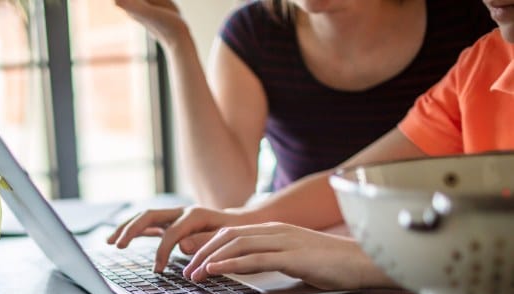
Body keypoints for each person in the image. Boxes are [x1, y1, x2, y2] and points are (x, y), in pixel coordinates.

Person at [107, 1, 514, 291]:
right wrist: (241, 221)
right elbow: (353, 180)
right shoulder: (480, 62)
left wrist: (364, 261)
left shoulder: (465, 26)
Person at [113, 0, 494, 209]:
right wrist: (177, 42)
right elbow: (223, 196)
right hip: (299, 242)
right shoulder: (254, 34)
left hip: (431, 248)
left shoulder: (470, 20)